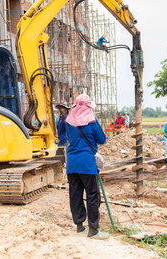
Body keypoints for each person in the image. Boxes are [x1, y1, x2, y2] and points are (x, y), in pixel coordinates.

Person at [65, 94, 109, 240]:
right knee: (92, 195)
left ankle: (79, 226)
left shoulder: (68, 120)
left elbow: (67, 138)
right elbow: (102, 139)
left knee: (75, 194)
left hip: (72, 163)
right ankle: (93, 229)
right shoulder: (91, 120)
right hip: (87, 164)